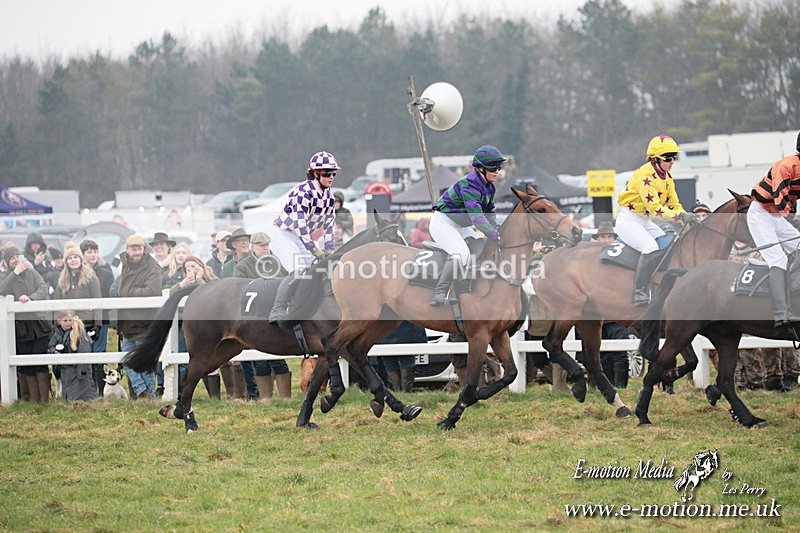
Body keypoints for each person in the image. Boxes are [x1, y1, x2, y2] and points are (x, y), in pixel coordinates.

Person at [615, 134, 692, 306]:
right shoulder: (645, 175)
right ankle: (640, 292)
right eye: (668, 157)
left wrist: (686, 216)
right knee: (650, 247)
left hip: (644, 221)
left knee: (669, 240)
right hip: (628, 220)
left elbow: (674, 204)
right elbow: (655, 209)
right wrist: (680, 217)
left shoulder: (667, 178)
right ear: (655, 158)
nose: (672, 161)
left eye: (674, 157)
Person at [428, 144, 504, 306]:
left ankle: (462, 288)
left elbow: (489, 211)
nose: (497, 171)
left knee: (479, 248)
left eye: (499, 166)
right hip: (443, 223)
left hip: (459, 225)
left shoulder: (489, 186)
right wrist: (495, 235)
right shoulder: (470, 185)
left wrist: (498, 228)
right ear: (480, 169)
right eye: (493, 167)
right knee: (461, 254)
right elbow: (477, 218)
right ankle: (440, 292)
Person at [268, 150, 338, 324]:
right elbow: (300, 224)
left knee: (317, 272)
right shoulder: (302, 191)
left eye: (333, 173)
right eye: (327, 173)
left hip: (302, 239)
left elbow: (329, 223)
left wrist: (330, 247)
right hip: (284, 235)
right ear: (315, 173)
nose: (331, 177)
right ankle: (278, 308)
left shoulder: (328, 195)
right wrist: (314, 249)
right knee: (298, 272)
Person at [748, 131, 800, 328]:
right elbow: (781, 201)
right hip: (761, 215)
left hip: (778, 216)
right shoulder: (787, 166)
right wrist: (795, 220)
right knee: (778, 258)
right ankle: (781, 313)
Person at [233, 232, 291, 399]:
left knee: (279, 358)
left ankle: (284, 397)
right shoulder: (243, 266)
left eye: (266, 245)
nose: (265, 248)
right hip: (254, 318)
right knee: (259, 360)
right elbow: (239, 289)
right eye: (261, 246)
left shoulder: (276, 263)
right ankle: (265, 398)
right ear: (253, 247)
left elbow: (287, 282)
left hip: (274, 317)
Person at [0, 245, 53, 402]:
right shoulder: (5, 276)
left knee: (40, 359)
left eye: (17, 256)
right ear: (7, 262)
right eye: (12, 258)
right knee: (24, 361)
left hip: (38, 324)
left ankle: (43, 400)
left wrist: (31, 298)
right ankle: (28, 398)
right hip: (21, 327)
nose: (16, 260)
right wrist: (15, 273)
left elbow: (43, 287)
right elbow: (2, 290)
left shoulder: (31, 272)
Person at [112, 234, 162, 399]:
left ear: (144, 248)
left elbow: (152, 291)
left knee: (145, 362)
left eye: (139, 248)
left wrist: (127, 292)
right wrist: (126, 292)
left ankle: (150, 396)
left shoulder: (152, 266)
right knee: (126, 359)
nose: (137, 252)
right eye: (134, 249)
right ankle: (144, 392)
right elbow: (120, 288)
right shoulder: (125, 264)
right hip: (127, 322)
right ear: (127, 250)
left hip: (145, 321)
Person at [171, 255, 222, 399]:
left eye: (194, 266)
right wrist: (182, 285)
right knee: (194, 358)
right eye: (188, 268)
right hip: (193, 327)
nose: (192, 270)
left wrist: (199, 279)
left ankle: (215, 396)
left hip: (213, 326)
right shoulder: (185, 283)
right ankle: (183, 394)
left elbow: (207, 292)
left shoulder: (213, 280)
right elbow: (171, 294)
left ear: (201, 265)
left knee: (212, 358)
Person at [80, 238, 116, 395]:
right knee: (84, 352)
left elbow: (108, 295)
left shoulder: (106, 272)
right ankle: (88, 389)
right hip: (82, 319)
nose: (93, 255)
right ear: (83, 254)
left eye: (95, 251)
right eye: (89, 252)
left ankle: (102, 389)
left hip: (102, 318)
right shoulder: (78, 272)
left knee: (100, 353)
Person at [49, 311, 96, 402]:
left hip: (78, 370)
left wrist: (82, 372)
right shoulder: (57, 334)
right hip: (65, 370)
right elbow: (51, 346)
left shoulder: (79, 334)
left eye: (70, 320)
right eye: (65, 320)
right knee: (69, 393)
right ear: (59, 321)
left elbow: (84, 352)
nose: (68, 323)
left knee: (81, 393)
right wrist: (54, 352)